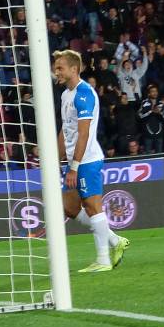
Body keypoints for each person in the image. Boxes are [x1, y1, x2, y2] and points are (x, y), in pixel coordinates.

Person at [53, 49, 129, 273]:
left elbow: (84, 134)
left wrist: (74, 166)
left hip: (87, 160)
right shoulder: (66, 94)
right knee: (68, 206)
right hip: (73, 161)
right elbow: (66, 130)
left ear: (74, 69)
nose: (56, 72)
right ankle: (115, 241)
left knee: (93, 206)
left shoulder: (84, 93)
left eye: (60, 68)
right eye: (55, 67)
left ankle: (103, 260)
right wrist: (57, 159)